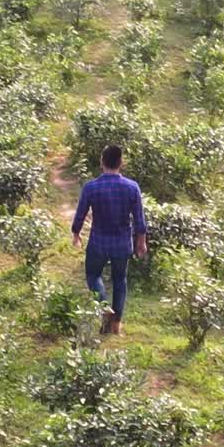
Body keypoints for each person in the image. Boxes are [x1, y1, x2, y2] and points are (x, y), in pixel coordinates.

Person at [72, 144, 148, 335]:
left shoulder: (91, 187)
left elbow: (81, 213)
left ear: (101, 162)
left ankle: (105, 308)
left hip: (98, 241)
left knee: (93, 275)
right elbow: (139, 217)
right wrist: (141, 241)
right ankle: (116, 324)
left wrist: (76, 233)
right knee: (120, 280)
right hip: (122, 243)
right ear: (121, 163)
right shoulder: (132, 187)